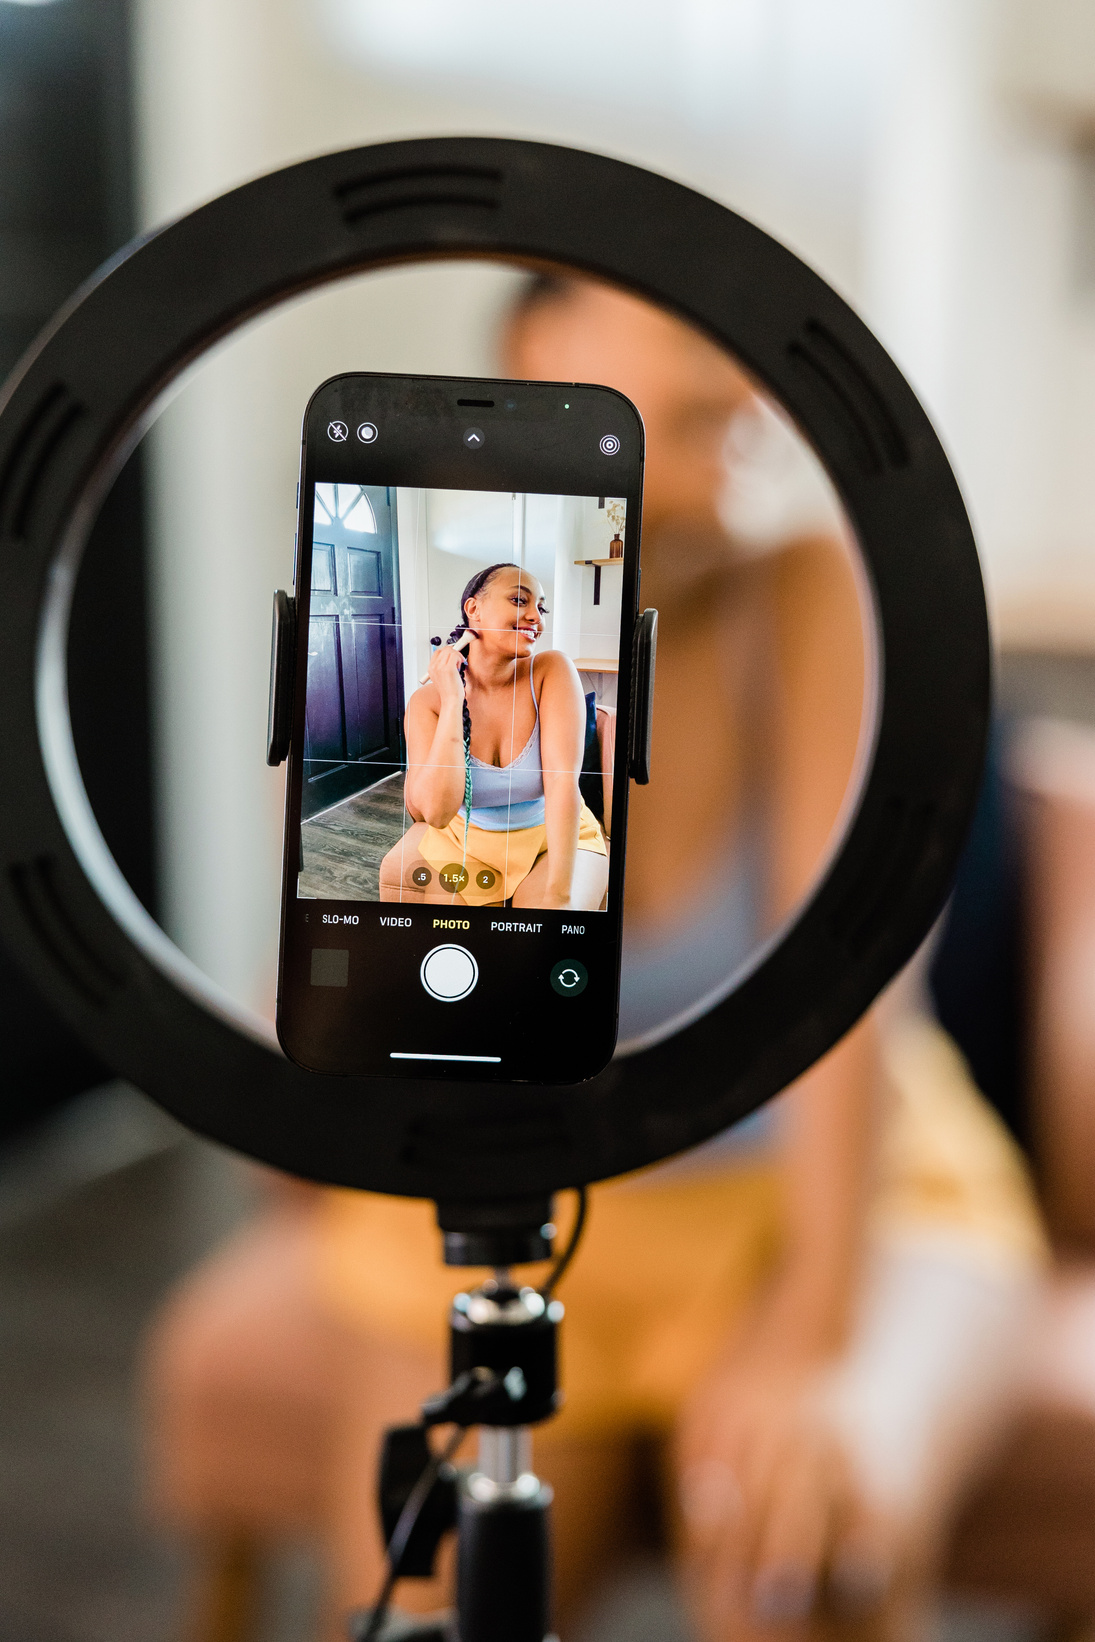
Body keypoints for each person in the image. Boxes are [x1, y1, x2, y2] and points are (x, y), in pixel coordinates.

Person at [378, 562, 608, 911]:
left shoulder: (552, 671)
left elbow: (563, 785)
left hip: (554, 837)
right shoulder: (428, 703)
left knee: (537, 935)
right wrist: (454, 701)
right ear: (474, 609)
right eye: (519, 601)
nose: (536, 617)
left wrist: (558, 898)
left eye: (541, 608)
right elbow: (437, 814)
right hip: (467, 844)